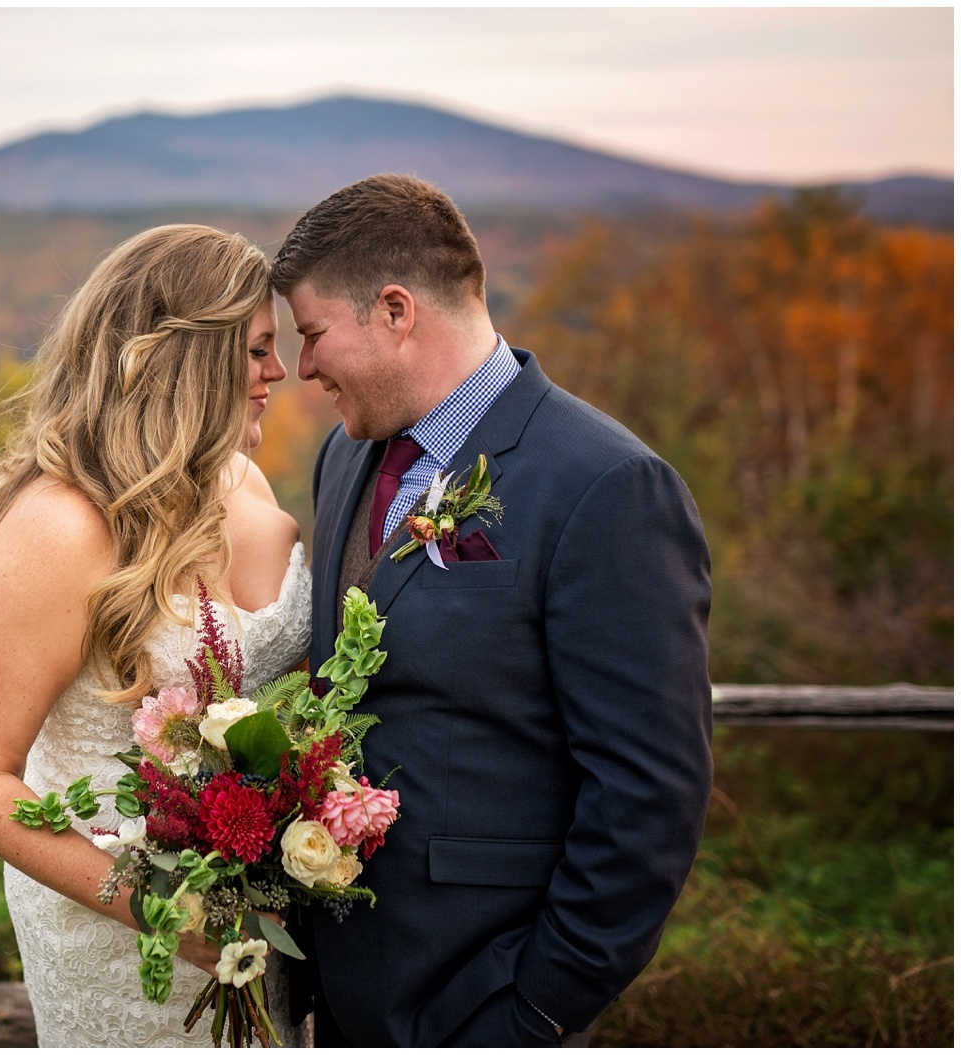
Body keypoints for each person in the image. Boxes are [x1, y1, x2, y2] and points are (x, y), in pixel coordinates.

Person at [273, 174, 713, 1046]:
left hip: (484, 1000)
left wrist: (534, 1009)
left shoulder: (606, 485)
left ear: (396, 311)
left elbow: (648, 796)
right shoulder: (343, 456)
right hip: (337, 997)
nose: (304, 366)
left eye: (315, 334)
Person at [0, 224, 311, 1047]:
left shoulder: (245, 479)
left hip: (261, 919)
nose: (279, 373)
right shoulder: (58, 527)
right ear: (186, 358)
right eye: (255, 351)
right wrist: (163, 910)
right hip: (116, 935)